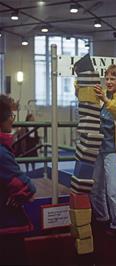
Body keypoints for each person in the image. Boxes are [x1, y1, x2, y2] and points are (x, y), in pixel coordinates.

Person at [90, 64, 116, 246]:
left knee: (114, 191)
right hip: (97, 149)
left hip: (113, 151)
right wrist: (83, 82)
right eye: (106, 78)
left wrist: (106, 102)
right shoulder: (101, 97)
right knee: (96, 188)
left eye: (112, 79)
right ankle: (102, 219)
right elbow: (80, 92)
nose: (108, 82)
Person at [0, 94, 36, 265]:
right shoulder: (1, 153)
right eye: (11, 116)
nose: (13, 121)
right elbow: (26, 187)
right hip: (6, 223)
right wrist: (27, 189)